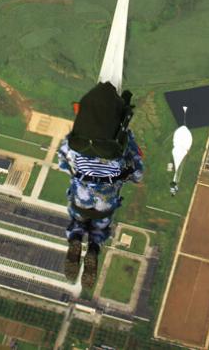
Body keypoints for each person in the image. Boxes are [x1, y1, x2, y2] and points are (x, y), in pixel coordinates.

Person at [57, 82, 144, 288]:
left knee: (79, 221)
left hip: (82, 192)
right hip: (106, 197)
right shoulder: (122, 141)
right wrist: (131, 175)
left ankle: (79, 240)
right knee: (98, 228)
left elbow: (63, 159)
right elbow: (137, 171)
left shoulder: (79, 141)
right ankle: (92, 248)